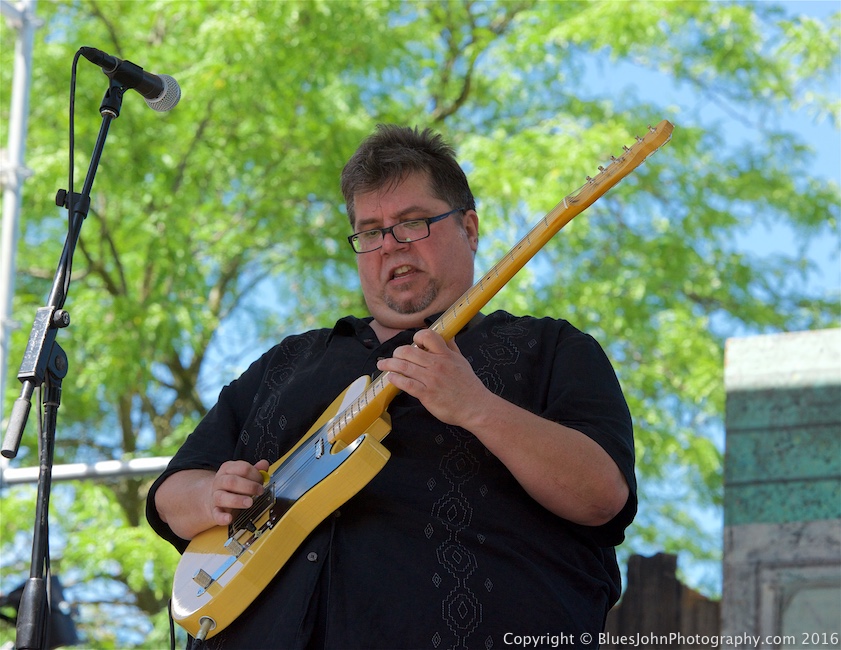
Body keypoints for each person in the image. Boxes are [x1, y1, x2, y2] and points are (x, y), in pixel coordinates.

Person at [146, 125, 636, 650]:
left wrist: (477, 408)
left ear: (469, 228)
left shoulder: (551, 348)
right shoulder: (288, 360)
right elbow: (171, 494)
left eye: (413, 223)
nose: (390, 246)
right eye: (371, 231)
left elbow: (601, 496)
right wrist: (210, 495)